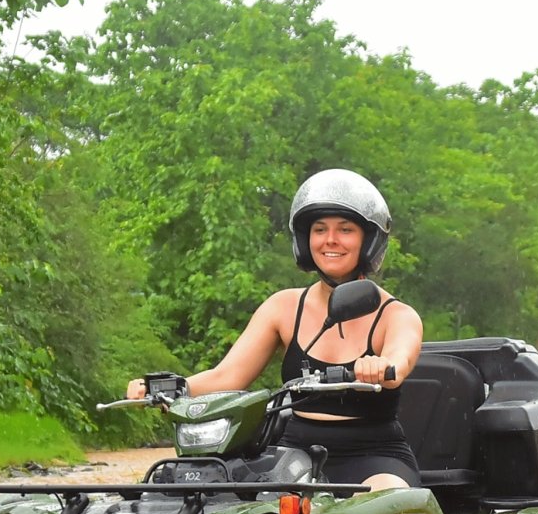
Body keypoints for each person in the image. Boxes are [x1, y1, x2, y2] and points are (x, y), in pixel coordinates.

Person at [125, 168, 422, 490]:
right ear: (305, 240)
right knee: (219, 502)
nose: (330, 240)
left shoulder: (397, 315)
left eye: (345, 230)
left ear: (369, 241)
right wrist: (171, 387)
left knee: (387, 500)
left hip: (373, 454)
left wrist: (380, 365)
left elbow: (399, 360)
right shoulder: (283, 306)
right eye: (319, 229)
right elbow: (228, 377)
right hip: (293, 452)